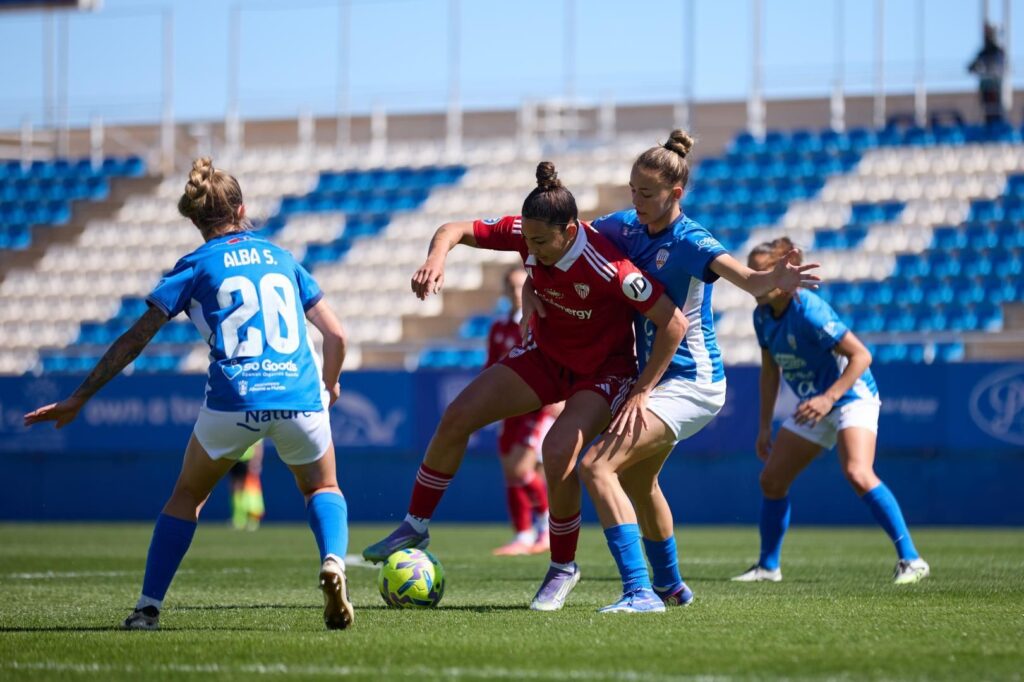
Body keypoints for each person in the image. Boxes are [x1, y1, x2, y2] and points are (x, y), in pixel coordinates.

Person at [23, 157, 354, 630]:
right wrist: (330, 382)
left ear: (197, 220)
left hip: (233, 399)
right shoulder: (283, 259)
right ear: (242, 209)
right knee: (321, 486)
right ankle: (333, 563)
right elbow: (337, 337)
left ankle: (148, 607)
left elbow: (136, 338)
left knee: (187, 496)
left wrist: (81, 395)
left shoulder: (195, 265)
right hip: (299, 395)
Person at [362, 162, 687, 611]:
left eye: (539, 242)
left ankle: (562, 567)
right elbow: (453, 228)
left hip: (603, 373)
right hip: (545, 357)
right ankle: (415, 524)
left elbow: (673, 322)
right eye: (525, 241)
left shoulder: (610, 267)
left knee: (556, 451)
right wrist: (436, 259)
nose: (528, 249)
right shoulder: (527, 232)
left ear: (570, 232)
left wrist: (643, 389)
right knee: (457, 415)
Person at [526, 130, 822, 613]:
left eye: (646, 193)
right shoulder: (625, 225)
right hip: (663, 382)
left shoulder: (691, 239)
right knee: (639, 484)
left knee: (597, 467)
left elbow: (747, 281)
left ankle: (639, 592)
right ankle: (672, 587)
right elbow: (562, 239)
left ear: (675, 194)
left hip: (692, 382)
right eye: (632, 189)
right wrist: (528, 285)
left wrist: (774, 280)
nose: (636, 200)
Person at [731, 237, 930, 585]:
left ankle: (912, 560)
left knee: (857, 472)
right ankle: (768, 567)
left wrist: (828, 398)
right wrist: (764, 426)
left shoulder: (809, 309)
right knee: (772, 480)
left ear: (782, 273)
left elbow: (861, 356)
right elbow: (769, 371)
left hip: (851, 395)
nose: (754, 277)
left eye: (761, 271)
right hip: (815, 404)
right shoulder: (762, 315)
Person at [486, 266, 558, 556]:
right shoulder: (499, 328)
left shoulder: (539, 322)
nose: (517, 293)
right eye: (512, 287)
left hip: (535, 407)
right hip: (507, 407)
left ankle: (547, 529)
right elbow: (491, 366)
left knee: (523, 469)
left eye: (521, 286)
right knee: (511, 472)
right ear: (505, 292)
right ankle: (524, 534)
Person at [968, 22, 1006, 125]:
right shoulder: (983, 52)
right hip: (985, 86)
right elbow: (971, 67)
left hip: (994, 86)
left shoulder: (997, 51)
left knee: (994, 109)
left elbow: (1002, 65)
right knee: (986, 109)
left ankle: (996, 126)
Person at [229, 439, 265, 531]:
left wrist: (256, 461)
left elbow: (258, 446)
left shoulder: (257, 426)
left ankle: (253, 520)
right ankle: (239, 519)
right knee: (235, 489)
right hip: (235, 459)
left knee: (250, 490)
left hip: (247, 460)